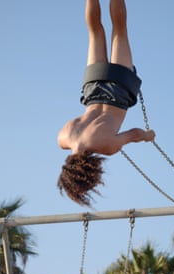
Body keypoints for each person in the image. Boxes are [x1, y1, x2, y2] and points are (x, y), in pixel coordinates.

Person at [57, 0, 155, 207]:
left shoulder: (106, 147)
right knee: (94, 31)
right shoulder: (63, 138)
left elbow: (134, 135)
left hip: (119, 88)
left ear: (88, 172)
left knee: (120, 31)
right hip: (92, 88)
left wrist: (148, 136)